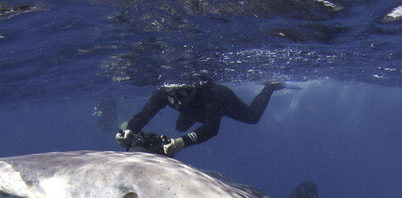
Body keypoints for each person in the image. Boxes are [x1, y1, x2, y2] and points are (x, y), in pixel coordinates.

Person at [116, 80, 293, 157]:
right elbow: (142, 116)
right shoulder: (164, 93)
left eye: (183, 92)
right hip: (194, 111)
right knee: (180, 127)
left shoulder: (211, 95)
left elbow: (211, 128)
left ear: (193, 89)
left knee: (253, 117)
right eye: (173, 93)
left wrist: (181, 143)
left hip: (223, 103)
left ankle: (269, 88)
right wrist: (129, 131)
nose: (177, 98)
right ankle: (186, 125)